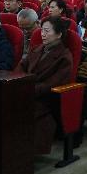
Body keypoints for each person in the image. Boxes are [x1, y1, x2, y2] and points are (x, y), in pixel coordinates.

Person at [20, 17, 73, 154]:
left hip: (46, 98)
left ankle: (22, 151)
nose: (42, 34)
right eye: (42, 30)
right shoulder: (37, 49)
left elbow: (53, 83)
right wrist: (15, 83)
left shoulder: (64, 56)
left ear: (59, 34)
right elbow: (21, 67)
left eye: (47, 31)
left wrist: (28, 90)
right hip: (27, 90)